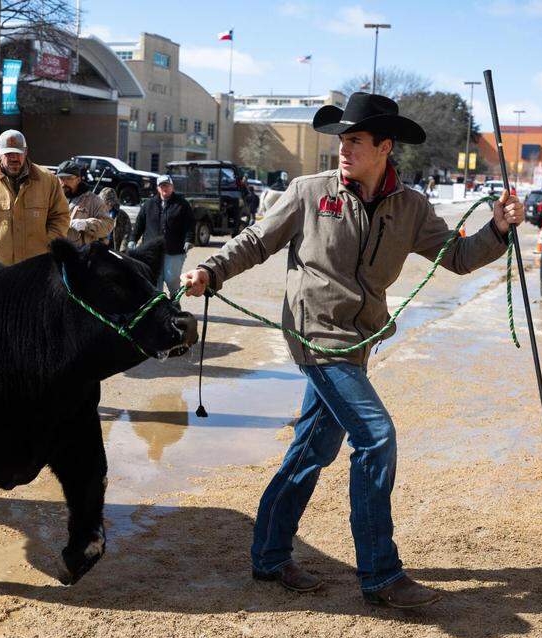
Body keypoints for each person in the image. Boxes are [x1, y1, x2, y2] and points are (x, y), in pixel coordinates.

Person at [180, 92, 523, 609]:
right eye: (342, 140)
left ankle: (269, 557)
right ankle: (381, 575)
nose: (344, 149)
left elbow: (456, 256)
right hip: (313, 336)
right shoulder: (309, 192)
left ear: (385, 146)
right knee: (376, 437)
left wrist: (498, 228)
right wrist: (211, 270)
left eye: (356, 140)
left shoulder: (410, 208)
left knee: (312, 449)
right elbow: (255, 241)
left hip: (358, 343)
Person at [0, 130, 70, 265]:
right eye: (8, 153)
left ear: (26, 152)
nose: (14, 157)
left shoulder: (48, 180)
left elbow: (61, 217)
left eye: (18, 153)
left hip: (37, 266)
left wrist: (48, 244)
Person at [131, 174, 194, 297]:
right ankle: (158, 309)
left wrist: (189, 240)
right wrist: (133, 239)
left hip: (174, 250)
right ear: (158, 188)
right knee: (155, 281)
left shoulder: (182, 204)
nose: (165, 188)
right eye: (162, 186)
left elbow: (190, 225)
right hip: (152, 251)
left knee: (172, 280)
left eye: (167, 185)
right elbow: (139, 224)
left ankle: (175, 305)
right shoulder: (148, 205)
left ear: (172, 187)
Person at [55, 161, 113, 246]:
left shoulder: (93, 200)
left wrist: (86, 224)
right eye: (61, 178)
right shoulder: (53, 198)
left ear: (78, 179)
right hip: (54, 251)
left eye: (68, 178)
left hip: (80, 254)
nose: (64, 182)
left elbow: (108, 226)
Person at [100, 186, 132, 252]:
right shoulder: (97, 213)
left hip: (115, 250)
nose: (105, 205)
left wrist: (122, 251)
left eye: (107, 203)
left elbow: (127, 235)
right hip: (99, 248)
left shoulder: (122, 216)